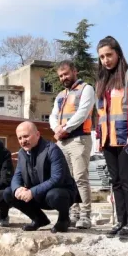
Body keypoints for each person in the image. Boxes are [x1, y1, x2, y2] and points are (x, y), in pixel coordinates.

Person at [94, 36, 128, 238]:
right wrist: (99, 137)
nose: (106, 60)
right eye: (101, 57)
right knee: (115, 181)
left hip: (127, 137)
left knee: (127, 180)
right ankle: (121, 221)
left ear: (118, 53)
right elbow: (100, 113)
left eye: (109, 55)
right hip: (108, 139)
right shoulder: (102, 81)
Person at [4, 121, 79, 233]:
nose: (23, 141)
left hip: (59, 194)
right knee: (9, 193)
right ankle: (39, 219)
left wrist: (32, 192)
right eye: (20, 138)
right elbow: (17, 176)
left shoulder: (52, 149)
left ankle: (64, 219)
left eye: (26, 136)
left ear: (37, 134)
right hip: (37, 195)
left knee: (55, 195)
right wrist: (17, 189)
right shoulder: (22, 153)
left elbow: (57, 178)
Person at [49, 60, 95, 229]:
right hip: (63, 141)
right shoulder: (61, 95)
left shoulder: (86, 89)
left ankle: (85, 215)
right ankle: (73, 213)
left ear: (75, 71)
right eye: (60, 76)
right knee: (67, 179)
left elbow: (83, 112)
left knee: (80, 177)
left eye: (66, 74)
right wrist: (56, 129)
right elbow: (53, 116)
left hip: (79, 139)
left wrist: (65, 129)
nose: (63, 78)